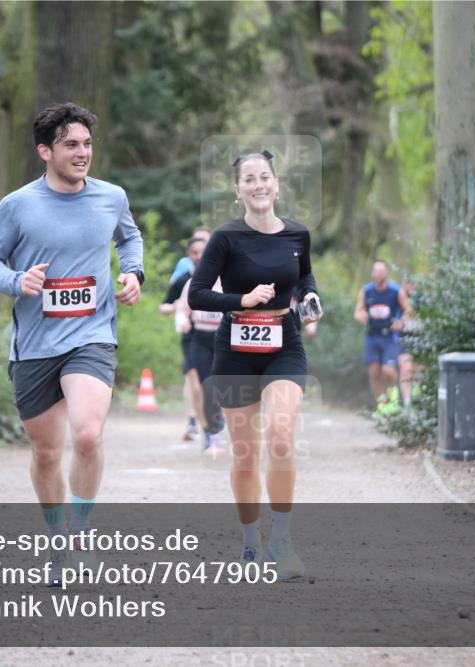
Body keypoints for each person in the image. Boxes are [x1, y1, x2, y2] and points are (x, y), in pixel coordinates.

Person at [0, 102, 144, 580]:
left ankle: (82, 536)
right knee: (46, 452)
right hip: (35, 346)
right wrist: (16, 280)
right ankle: (56, 544)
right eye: (71, 144)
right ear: (45, 150)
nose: (82, 152)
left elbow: (129, 239)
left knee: (87, 435)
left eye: (87, 143)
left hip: (91, 336)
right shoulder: (18, 205)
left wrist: (133, 272)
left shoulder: (111, 197)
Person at [188, 150, 321, 581]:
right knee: (245, 454)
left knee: (281, 436)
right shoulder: (226, 238)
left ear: (277, 184)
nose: (259, 184)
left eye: (265, 177)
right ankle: (251, 544)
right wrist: (241, 300)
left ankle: (282, 541)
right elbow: (198, 295)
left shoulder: (298, 234)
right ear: (238, 189)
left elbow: (303, 279)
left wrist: (311, 298)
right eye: (249, 179)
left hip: (285, 345)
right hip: (235, 350)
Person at [174, 237, 225, 451]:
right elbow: (182, 310)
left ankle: (217, 421)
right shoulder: (191, 282)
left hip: (222, 339)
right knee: (200, 387)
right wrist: (183, 321)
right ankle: (208, 431)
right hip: (200, 338)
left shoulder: (227, 280)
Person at [159, 235, 207, 440]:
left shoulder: (224, 277)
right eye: (195, 253)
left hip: (216, 336)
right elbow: (164, 307)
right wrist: (177, 306)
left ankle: (211, 420)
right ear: (189, 255)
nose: (199, 256)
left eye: (203, 252)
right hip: (192, 336)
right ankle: (201, 426)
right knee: (195, 382)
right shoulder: (183, 280)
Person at [354, 260, 412, 406]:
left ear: (386, 272)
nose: (378, 273)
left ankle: (393, 398)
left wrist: (401, 322)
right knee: (374, 373)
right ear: (373, 273)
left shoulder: (396, 291)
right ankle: (382, 404)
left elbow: (408, 310)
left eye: (381, 270)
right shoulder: (366, 291)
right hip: (372, 335)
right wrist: (361, 315)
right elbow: (358, 310)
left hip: (390, 337)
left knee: (388, 371)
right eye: (376, 271)